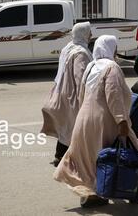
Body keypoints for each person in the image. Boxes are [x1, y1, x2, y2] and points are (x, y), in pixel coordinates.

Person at [54, 35, 138, 208]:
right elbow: (114, 95)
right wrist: (121, 121)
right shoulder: (112, 67)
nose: (116, 53)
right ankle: (136, 189)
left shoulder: (91, 66)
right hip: (105, 120)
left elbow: (81, 94)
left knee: (90, 158)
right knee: (130, 151)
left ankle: (93, 193)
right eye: (115, 49)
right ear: (111, 49)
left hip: (84, 118)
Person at [41, 22, 93, 167]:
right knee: (75, 126)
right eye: (89, 32)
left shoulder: (68, 47)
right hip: (73, 94)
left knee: (67, 126)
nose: (91, 35)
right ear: (83, 34)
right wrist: (84, 96)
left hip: (62, 89)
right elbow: (80, 76)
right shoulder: (80, 53)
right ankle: (75, 160)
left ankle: (60, 156)